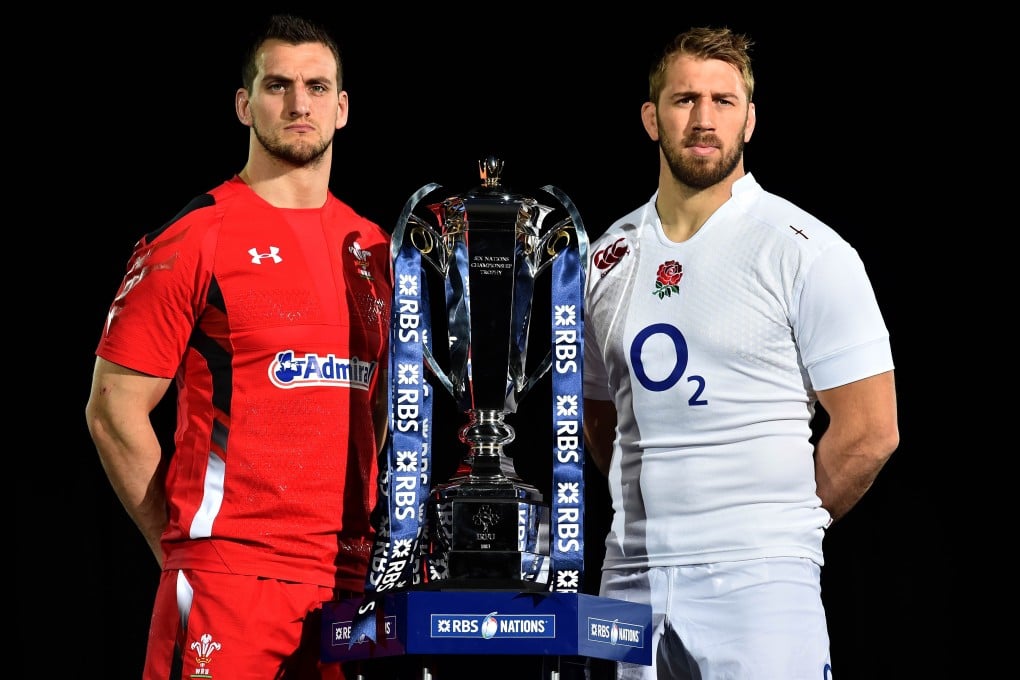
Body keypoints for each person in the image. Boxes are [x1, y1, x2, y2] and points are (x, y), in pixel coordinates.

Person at [582, 26, 899, 680]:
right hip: (628, 578)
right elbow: (598, 414)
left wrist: (776, 528)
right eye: (684, 100)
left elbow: (872, 430)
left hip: (760, 585)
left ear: (749, 120)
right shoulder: (607, 258)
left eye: (723, 101)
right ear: (651, 118)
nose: (704, 119)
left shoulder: (805, 249)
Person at [85, 14, 393, 679]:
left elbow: (383, 410)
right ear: (243, 104)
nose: (299, 103)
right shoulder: (199, 235)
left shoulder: (373, 248)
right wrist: (182, 549)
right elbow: (112, 409)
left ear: (342, 109)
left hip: (350, 584)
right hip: (228, 578)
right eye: (277, 85)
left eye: (317, 87)